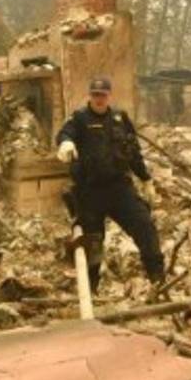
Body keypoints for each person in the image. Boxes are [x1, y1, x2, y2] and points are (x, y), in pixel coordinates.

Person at [56, 77, 164, 292]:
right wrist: (66, 143)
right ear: (90, 96)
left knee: (145, 227)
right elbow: (64, 133)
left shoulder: (119, 118)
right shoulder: (79, 118)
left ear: (109, 96)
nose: (99, 99)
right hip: (90, 192)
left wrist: (146, 179)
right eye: (95, 94)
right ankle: (91, 290)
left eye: (103, 95)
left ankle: (158, 280)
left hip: (120, 189)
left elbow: (133, 152)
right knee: (92, 244)